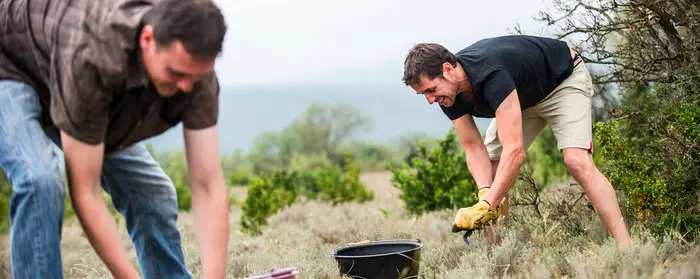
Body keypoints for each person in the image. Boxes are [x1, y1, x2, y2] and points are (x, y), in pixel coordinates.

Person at [0, 0, 230, 278]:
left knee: (153, 194)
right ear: (148, 39)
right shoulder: (94, 56)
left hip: (67, 67)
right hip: (10, 62)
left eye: (194, 77)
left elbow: (207, 184)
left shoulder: (194, 74)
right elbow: (86, 191)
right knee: (41, 179)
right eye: (175, 73)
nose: (185, 87)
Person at [401, 35, 632, 246]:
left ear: (448, 69)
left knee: (576, 161)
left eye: (431, 90)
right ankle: (500, 255)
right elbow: (472, 148)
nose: (430, 100)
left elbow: (515, 151)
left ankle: (626, 249)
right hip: (520, 99)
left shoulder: (491, 73)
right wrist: (485, 194)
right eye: (424, 95)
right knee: (491, 170)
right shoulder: (447, 96)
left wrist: (490, 203)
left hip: (562, 82)